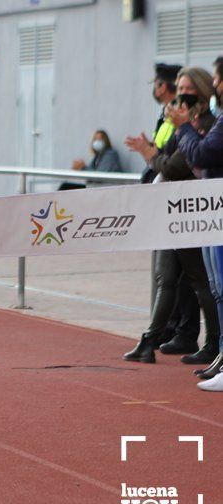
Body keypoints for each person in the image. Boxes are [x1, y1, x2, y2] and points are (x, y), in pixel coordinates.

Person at [123, 67, 220, 366]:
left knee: (203, 282)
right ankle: (149, 340)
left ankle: (213, 343)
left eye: (187, 88)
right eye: (178, 86)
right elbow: (166, 158)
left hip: (193, 211)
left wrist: (153, 154)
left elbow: (175, 164)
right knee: (167, 277)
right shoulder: (181, 124)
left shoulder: (206, 124)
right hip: (170, 209)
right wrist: (152, 151)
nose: (180, 94)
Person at [171, 56, 223, 389]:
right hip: (209, 209)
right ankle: (220, 356)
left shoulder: (212, 120)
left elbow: (201, 155)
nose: (217, 85)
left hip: (214, 208)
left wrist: (183, 128)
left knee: (216, 287)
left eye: (219, 79)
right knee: (216, 288)